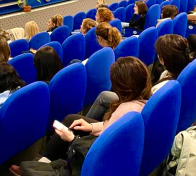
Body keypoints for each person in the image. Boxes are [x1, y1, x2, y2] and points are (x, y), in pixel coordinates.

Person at [11, 57, 151, 175]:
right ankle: (43, 161)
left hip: (96, 155)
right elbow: (109, 127)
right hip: (100, 143)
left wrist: (73, 139)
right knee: (72, 120)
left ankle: (40, 165)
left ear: (123, 86)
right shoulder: (140, 101)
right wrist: (90, 127)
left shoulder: (126, 110)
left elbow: (101, 148)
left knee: (68, 131)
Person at [88, 35, 190, 121]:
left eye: (159, 54)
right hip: (141, 100)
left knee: (104, 96)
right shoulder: (181, 73)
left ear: (163, 59)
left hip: (138, 105)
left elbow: (146, 106)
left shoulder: (164, 87)